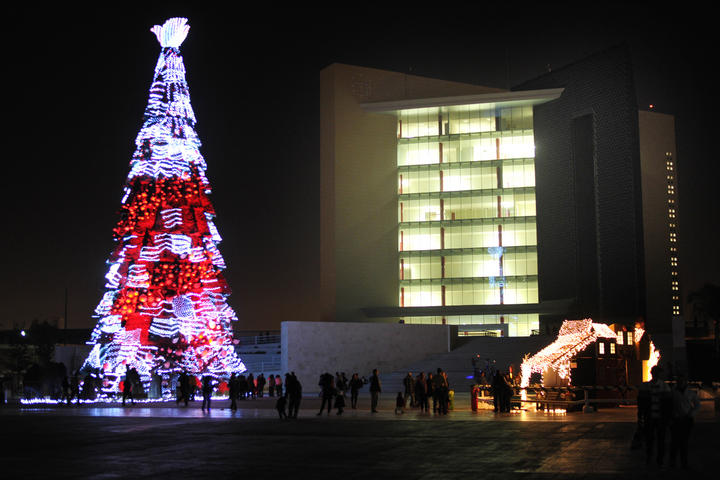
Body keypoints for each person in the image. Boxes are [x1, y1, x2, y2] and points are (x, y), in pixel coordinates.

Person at [638, 365, 672, 466]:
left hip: (659, 418)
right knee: (651, 440)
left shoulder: (647, 386)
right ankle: (653, 458)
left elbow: (668, 405)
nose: (656, 375)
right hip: (651, 417)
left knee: (659, 440)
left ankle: (658, 459)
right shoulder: (664, 387)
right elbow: (641, 404)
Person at [669, 373, 700, 469]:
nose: (681, 382)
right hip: (677, 420)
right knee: (676, 442)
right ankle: (677, 462)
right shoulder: (674, 392)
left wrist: (691, 414)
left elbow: (697, 405)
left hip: (685, 420)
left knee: (682, 442)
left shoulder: (687, 393)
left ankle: (681, 462)